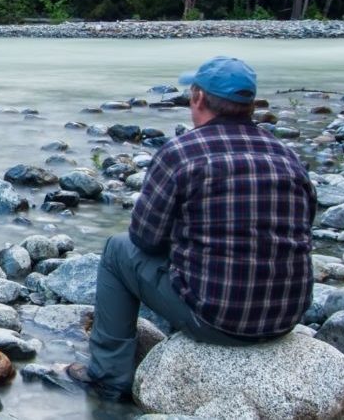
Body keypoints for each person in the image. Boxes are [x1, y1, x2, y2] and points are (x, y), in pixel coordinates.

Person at [67, 56, 316, 402]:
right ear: (249, 105)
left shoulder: (182, 152)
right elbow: (302, 227)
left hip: (219, 320)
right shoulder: (286, 155)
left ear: (198, 98)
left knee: (116, 250)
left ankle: (108, 379)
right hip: (285, 316)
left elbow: (145, 239)